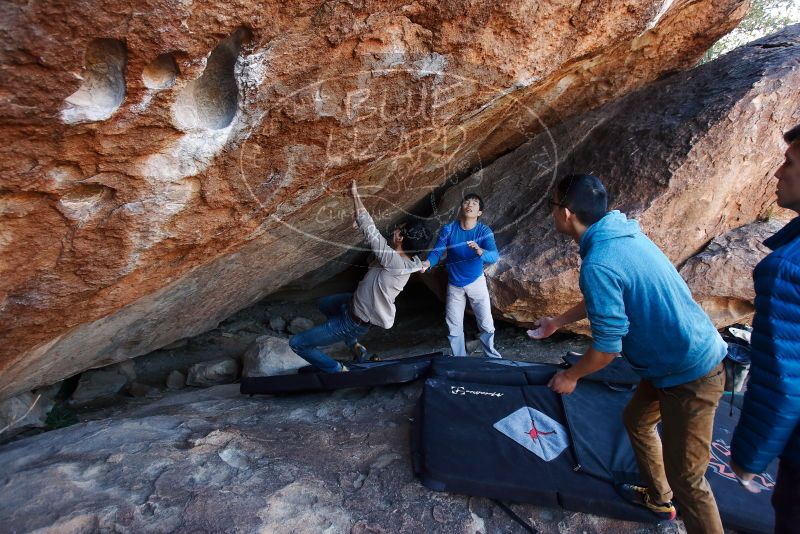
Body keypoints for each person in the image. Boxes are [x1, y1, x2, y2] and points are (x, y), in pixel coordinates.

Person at [529, 174, 727, 534]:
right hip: (666, 362)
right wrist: (557, 322)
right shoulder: (619, 233)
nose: (551, 213)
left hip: (692, 371)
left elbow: (607, 348)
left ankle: (676, 499)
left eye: (551, 206)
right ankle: (659, 496)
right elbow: (606, 297)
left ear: (567, 213)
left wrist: (571, 376)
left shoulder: (600, 260)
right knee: (637, 420)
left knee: (691, 482)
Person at [731, 125, 800, 533]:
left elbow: (784, 379)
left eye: (789, 163)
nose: (777, 173)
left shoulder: (787, 268)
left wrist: (748, 457)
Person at [288, 181, 428, 372]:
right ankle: (354, 344)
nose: (394, 230)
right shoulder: (410, 261)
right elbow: (384, 251)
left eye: (398, 228)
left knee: (298, 343)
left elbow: (371, 232)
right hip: (353, 303)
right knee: (325, 304)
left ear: (401, 238)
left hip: (353, 321)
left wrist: (355, 195)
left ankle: (337, 369)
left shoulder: (395, 263)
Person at [420, 193, 502, 358]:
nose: (470, 204)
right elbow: (436, 252)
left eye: (475, 203)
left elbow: (494, 256)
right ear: (461, 207)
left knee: (486, 323)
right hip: (455, 284)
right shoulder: (449, 229)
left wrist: (480, 251)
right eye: (466, 201)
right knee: (453, 324)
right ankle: (460, 358)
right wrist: (427, 264)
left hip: (476, 282)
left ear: (479, 212)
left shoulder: (483, 231)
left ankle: (492, 357)